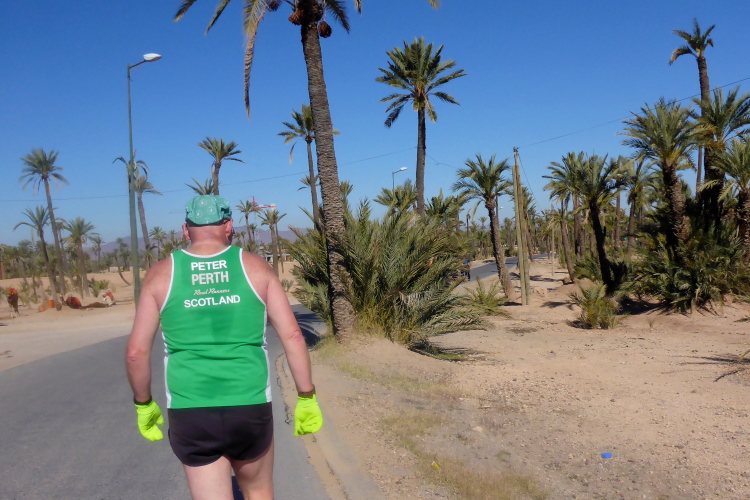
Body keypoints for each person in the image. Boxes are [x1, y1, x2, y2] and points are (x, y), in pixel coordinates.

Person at [126, 195, 323, 500]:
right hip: (249, 404)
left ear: (185, 229)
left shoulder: (161, 274)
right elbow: (294, 336)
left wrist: (143, 404)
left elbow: (136, 353)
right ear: (229, 226)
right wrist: (306, 396)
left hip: (190, 410)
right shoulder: (256, 267)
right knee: (258, 491)